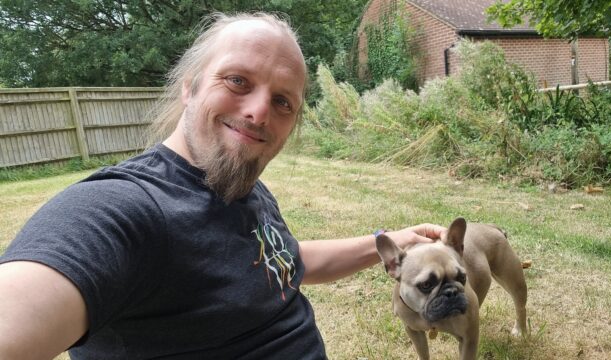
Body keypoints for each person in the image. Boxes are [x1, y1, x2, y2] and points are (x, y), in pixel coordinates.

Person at [0, 12, 446, 360]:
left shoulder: (243, 187)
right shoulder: (124, 209)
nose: (258, 112)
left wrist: (390, 242)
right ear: (189, 89)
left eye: (282, 101)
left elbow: (286, 261)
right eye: (238, 81)